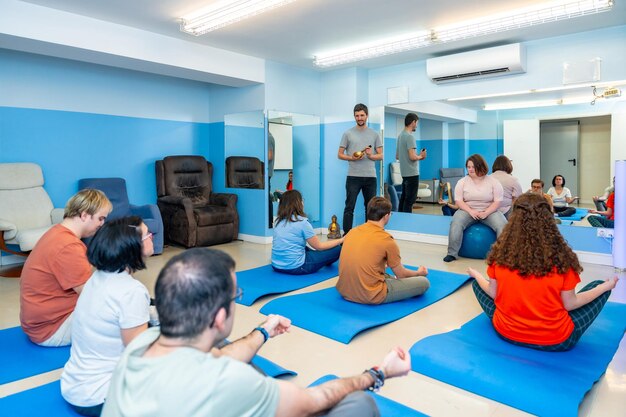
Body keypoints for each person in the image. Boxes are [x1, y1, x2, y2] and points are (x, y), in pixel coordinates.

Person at [102, 248, 412, 417]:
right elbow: (314, 399)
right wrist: (379, 372)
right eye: (235, 297)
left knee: (225, 350)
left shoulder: (139, 344)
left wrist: (262, 332)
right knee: (359, 406)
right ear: (220, 315)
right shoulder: (229, 383)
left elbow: (218, 355)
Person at [467, 193, 618, 351]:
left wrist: (477, 275)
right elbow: (570, 304)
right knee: (598, 285)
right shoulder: (561, 260)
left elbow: (493, 292)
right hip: (556, 341)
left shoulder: (500, 256)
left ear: (514, 220)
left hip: (506, 333)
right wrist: (606, 287)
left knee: (478, 285)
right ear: (548, 219)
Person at [61, 217, 153, 416]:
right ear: (132, 248)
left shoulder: (98, 276)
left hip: (74, 387)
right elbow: (140, 352)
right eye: (147, 234)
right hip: (100, 397)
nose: (151, 236)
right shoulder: (131, 291)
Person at [20, 189, 112, 347]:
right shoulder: (69, 246)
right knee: (124, 312)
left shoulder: (56, 233)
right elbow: (91, 296)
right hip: (52, 330)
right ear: (84, 215)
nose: (101, 224)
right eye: (100, 218)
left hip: (39, 324)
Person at [336, 197, 429, 304]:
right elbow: (401, 275)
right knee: (424, 282)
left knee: (384, 273)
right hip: (370, 295)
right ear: (386, 216)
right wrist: (419, 273)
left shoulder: (352, 231)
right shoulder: (386, 240)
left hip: (345, 291)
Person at [443, 154, 506, 263]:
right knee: (456, 223)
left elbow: (498, 201)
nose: (470, 169)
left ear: (480, 166)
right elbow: (459, 201)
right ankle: (452, 254)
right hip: (467, 209)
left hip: (489, 210)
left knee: (503, 225)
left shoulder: (493, 182)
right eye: (468, 167)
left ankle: (503, 256)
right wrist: (471, 211)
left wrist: (486, 212)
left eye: (473, 167)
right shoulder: (462, 182)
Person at [272, 190, 344, 275]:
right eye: (302, 200)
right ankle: (325, 259)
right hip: (297, 267)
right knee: (338, 249)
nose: (303, 202)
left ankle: (321, 257)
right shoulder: (302, 223)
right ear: (298, 203)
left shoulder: (278, 221)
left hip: (276, 265)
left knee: (304, 247)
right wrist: (341, 240)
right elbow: (319, 246)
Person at [338, 103, 383, 235]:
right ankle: (346, 236)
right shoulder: (348, 133)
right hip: (353, 176)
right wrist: (351, 158)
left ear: (367, 116)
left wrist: (370, 155)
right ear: (354, 116)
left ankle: (369, 235)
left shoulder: (374, 134)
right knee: (349, 207)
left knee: (370, 209)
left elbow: (381, 155)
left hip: (370, 177)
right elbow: (339, 154)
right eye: (357, 115)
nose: (359, 118)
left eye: (362, 115)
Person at [396, 113, 426, 213]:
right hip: (412, 174)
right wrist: (421, 156)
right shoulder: (410, 137)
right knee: (409, 201)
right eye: (416, 123)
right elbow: (412, 156)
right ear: (413, 122)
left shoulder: (400, 136)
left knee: (404, 199)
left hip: (404, 174)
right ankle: (407, 223)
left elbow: (397, 156)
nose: (417, 125)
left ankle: (401, 222)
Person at [268, 130, 276, 228]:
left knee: (267, 199)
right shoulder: (269, 137)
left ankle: (269, 224)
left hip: (266, 173)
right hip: (264, 173)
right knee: (267, 198)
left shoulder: (268, 138)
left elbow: (269, 156)